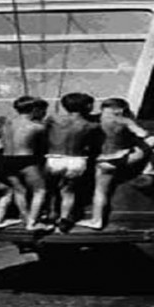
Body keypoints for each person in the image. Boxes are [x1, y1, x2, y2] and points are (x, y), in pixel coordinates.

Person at [77, 98, 154, 230]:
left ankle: (96, 220)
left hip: (103, 161)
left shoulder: (95, 120)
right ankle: (149, 169)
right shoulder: (123, 121)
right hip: (123, 158)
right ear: (120, 109)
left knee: (100, 192)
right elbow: (143, 134)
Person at [45, 93, 101, 233]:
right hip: (76, 160)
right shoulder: (91, 125)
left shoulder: (53, 118)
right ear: (86, 106)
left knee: (51, 189)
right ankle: (64, 219)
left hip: (54, 158)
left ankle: (51, 214)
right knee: (68, 192)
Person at [1, 96, 52, 232]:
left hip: (6, 159)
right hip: (26, 159)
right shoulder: (37, 126)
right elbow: (45, 146)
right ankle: (32, 223)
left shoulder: (7, 123)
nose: (43, 113)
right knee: (40, 190)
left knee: (19, 190)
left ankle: (25, 218)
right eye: (42, 110)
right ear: (35, 109)